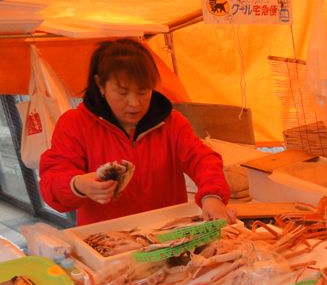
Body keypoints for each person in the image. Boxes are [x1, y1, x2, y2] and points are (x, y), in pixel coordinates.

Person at [40, 38, 233, 225]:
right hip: (105, 238)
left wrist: (212, 195)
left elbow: (202, 159)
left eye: (143, 91)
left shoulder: (171, 123)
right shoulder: (75, 124)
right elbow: (53, 179)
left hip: (167, 233)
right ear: (100, 85)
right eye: (122, 92)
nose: (134, 103)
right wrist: (77, 184)